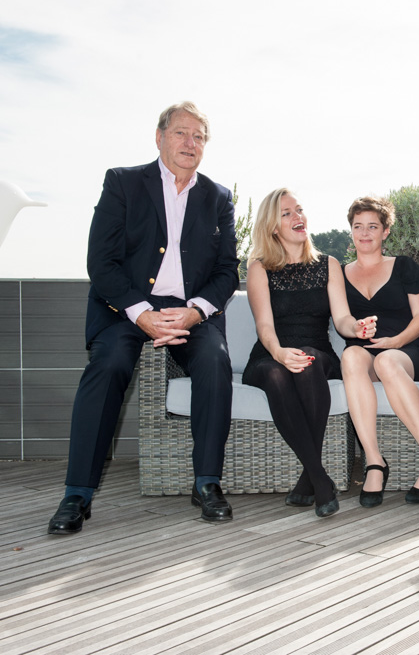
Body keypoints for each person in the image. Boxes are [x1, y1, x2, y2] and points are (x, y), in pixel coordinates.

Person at [48, 102, 239, 535]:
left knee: (214, 361)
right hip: (125, 308)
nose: (190, 143)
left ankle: (207, 482)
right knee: (109, 363)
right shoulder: (123, 182)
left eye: (199, 137)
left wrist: (195, 312)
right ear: (159, 137)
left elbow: (229, 270)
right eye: (181, 133)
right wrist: (142, 314)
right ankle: (77, 493)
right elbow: (101, 262)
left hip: (189, 310)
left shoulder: (219, 197)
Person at [242, 188, 375, 518]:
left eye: (299, 210)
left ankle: (309, 482)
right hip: (270, 354)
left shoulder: (328, 264)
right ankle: (318, 477)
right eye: (287, 213)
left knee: (309, 361)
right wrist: (278, 352)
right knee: (277, 374)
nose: (297, 217)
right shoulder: (258, 267)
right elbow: (264, 325)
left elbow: (341, 317)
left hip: (317, 352)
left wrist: (355, 327)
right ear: (273, 226)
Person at [340, 196, 419, 506]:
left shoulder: (404, 267)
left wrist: (396, 341)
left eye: (372, 226)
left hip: (405, 351)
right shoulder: (342, 274)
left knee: (386, 361)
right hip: (363, 350)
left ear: (385, 232)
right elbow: (341, 320)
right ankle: (374, 461)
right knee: (350, 356)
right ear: (351, 231)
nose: (364, 233)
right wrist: (356, 329)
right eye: (358, 226)